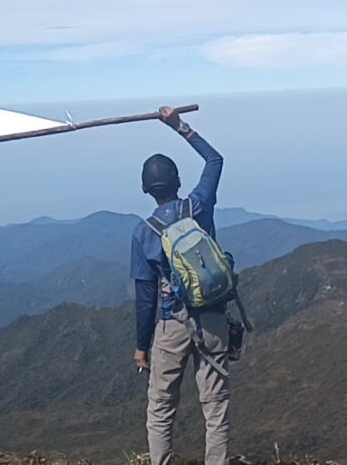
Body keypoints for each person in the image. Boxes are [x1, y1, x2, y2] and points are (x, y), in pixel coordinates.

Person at [132, 106, 230, 465]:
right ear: (176, 182)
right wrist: (180, 127)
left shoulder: (144, 233)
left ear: (146, 189)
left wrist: (142, 346)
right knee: (215, 403)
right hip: (214, 319)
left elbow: (145, 298)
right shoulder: (198, 206)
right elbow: (215, 161)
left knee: (160, 407)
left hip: (171, 324)